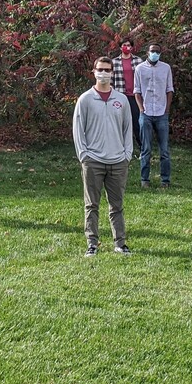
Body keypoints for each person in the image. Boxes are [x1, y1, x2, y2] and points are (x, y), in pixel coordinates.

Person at [73, 57, 133, 256]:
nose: (104, 73)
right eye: (101, 69)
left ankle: (120, 243)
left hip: (118, 162)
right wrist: (84, 156)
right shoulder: (86, 99)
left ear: (112, 73)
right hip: (93, 162)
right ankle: (92, 243)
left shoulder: (121, 100)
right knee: (92, 205)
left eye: (108, 70)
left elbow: (127, 129)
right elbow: (78, 130)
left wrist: (127, 155)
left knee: (117, 206)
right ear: (94, 71)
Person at [134, 42, 174, 189]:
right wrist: (141, 109)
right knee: (146, 149)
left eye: (157, 51)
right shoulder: (139, 69)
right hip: (146, 113)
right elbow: (137, 91)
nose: (155, 54)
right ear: (147, 53)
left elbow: (170, 89)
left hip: (161, 112)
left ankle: (165, 180)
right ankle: (144, 179)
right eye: (153, 51)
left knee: (164, 150)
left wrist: (167, 110)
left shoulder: (166, 68)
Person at [111, 39, 143, 151]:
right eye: (124, 45)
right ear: (120, 47)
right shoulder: (114, 62)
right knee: (120, 123)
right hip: (120, 96)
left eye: (128, 45)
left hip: (135, 96)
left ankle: (142, 147)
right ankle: (120, 148)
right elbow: (111, 80)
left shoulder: (138, 61)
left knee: (136, 122)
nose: (126, 47)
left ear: (132, 47)